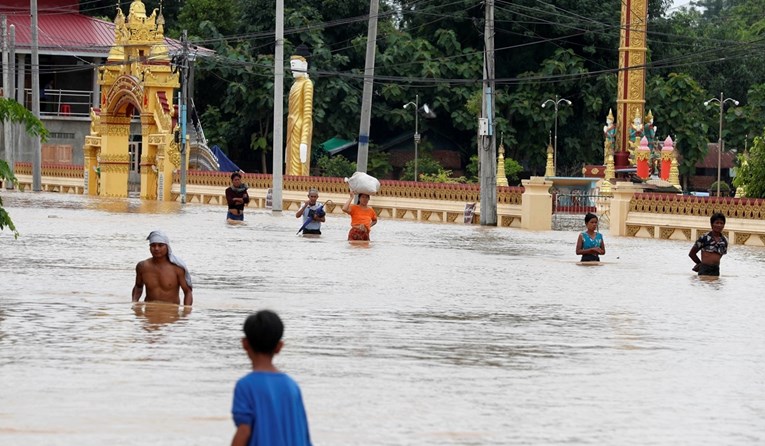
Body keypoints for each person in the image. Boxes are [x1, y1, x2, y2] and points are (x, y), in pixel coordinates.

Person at [231, 310, 312, 446]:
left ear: (245, 344)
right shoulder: (292, 386)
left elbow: (244, 431)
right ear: (279, 347)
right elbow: (303, 434)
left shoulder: (246, 385)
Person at [132, 230, 193, 306]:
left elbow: (188, 292)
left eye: (160, 245)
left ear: (167, 247)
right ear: (149, 247)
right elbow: (138, 286)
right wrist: (134, 304)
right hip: (150, 311)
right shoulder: (142, 266)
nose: (156, 248)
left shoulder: (177, 268)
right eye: (153, 245)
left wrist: (186, 312)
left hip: (170, 313)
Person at [285, 44, 314, 176]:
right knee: (290, 164)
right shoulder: (295, 85)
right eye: (291, 66)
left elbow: (307, 114)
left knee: (299, 165)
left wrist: (304, 140)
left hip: (301, 126)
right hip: (292, 128)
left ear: (304, 65)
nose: (292, 69)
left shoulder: (307, 84)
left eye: (295, 65)